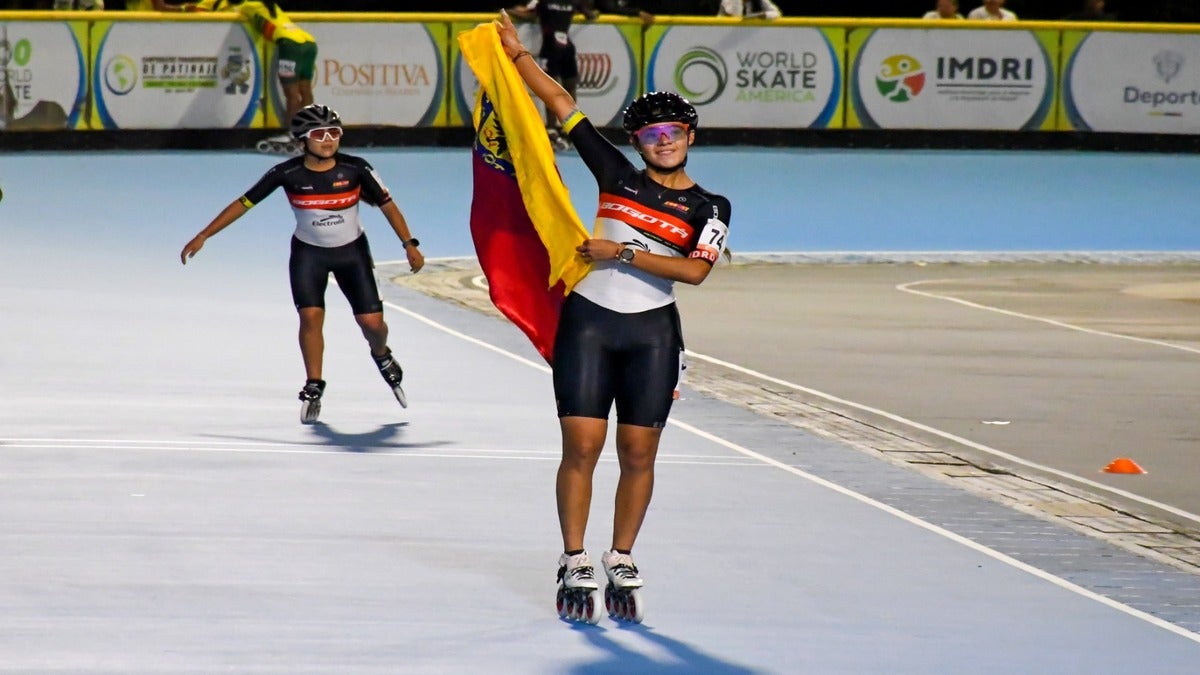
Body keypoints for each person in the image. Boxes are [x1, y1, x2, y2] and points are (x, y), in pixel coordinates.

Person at [497, 9, 732, 619]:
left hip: (653, 332)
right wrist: (515, 52)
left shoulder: (711, 205)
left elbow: (696, 272)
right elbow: (558, 101)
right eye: (652, 134)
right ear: (637, 143)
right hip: (591, 323)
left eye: (673, 132)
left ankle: (621, 555)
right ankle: (574, 556)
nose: (663, 141)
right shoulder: (616, 176)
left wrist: (621, 250)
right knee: (582, 445)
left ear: (690, 137)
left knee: (638, 454)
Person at [179, 104, 425, 423]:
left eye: (334, 133)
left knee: (372, 325)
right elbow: (244, 203)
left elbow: (388, 206)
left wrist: (409, 244)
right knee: (310, 318)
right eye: (319, 134)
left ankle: (381, 354)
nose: (328, 140)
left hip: (352, 254)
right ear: (301, 141)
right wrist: (204, 235)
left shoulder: (357, 169)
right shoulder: (287, 174)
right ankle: (314, 384)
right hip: (309, 255)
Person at [152, 0, 317, 149]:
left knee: (292, 95)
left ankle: (291, 135)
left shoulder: (245, 6)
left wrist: (176, 9)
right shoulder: (270, 5)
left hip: (289, 45)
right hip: (308, 42)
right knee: (306, 91)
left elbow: (213, 14)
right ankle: (309, 134)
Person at [506, 1, 599, 151]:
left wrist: (508, 11)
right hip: (567, 48)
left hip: (550, 49)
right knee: (570, 90)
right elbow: (590, 15)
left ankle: (552, 130)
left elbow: (528, 15)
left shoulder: (543, 2)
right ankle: (569, 129)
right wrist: (591, 13)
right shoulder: (574, 2)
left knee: (551, 89)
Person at [717, 0, 781, 19]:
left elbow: (777, 13)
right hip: (726, 32)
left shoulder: (760, 1)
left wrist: (761, 15)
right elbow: (736, 16)